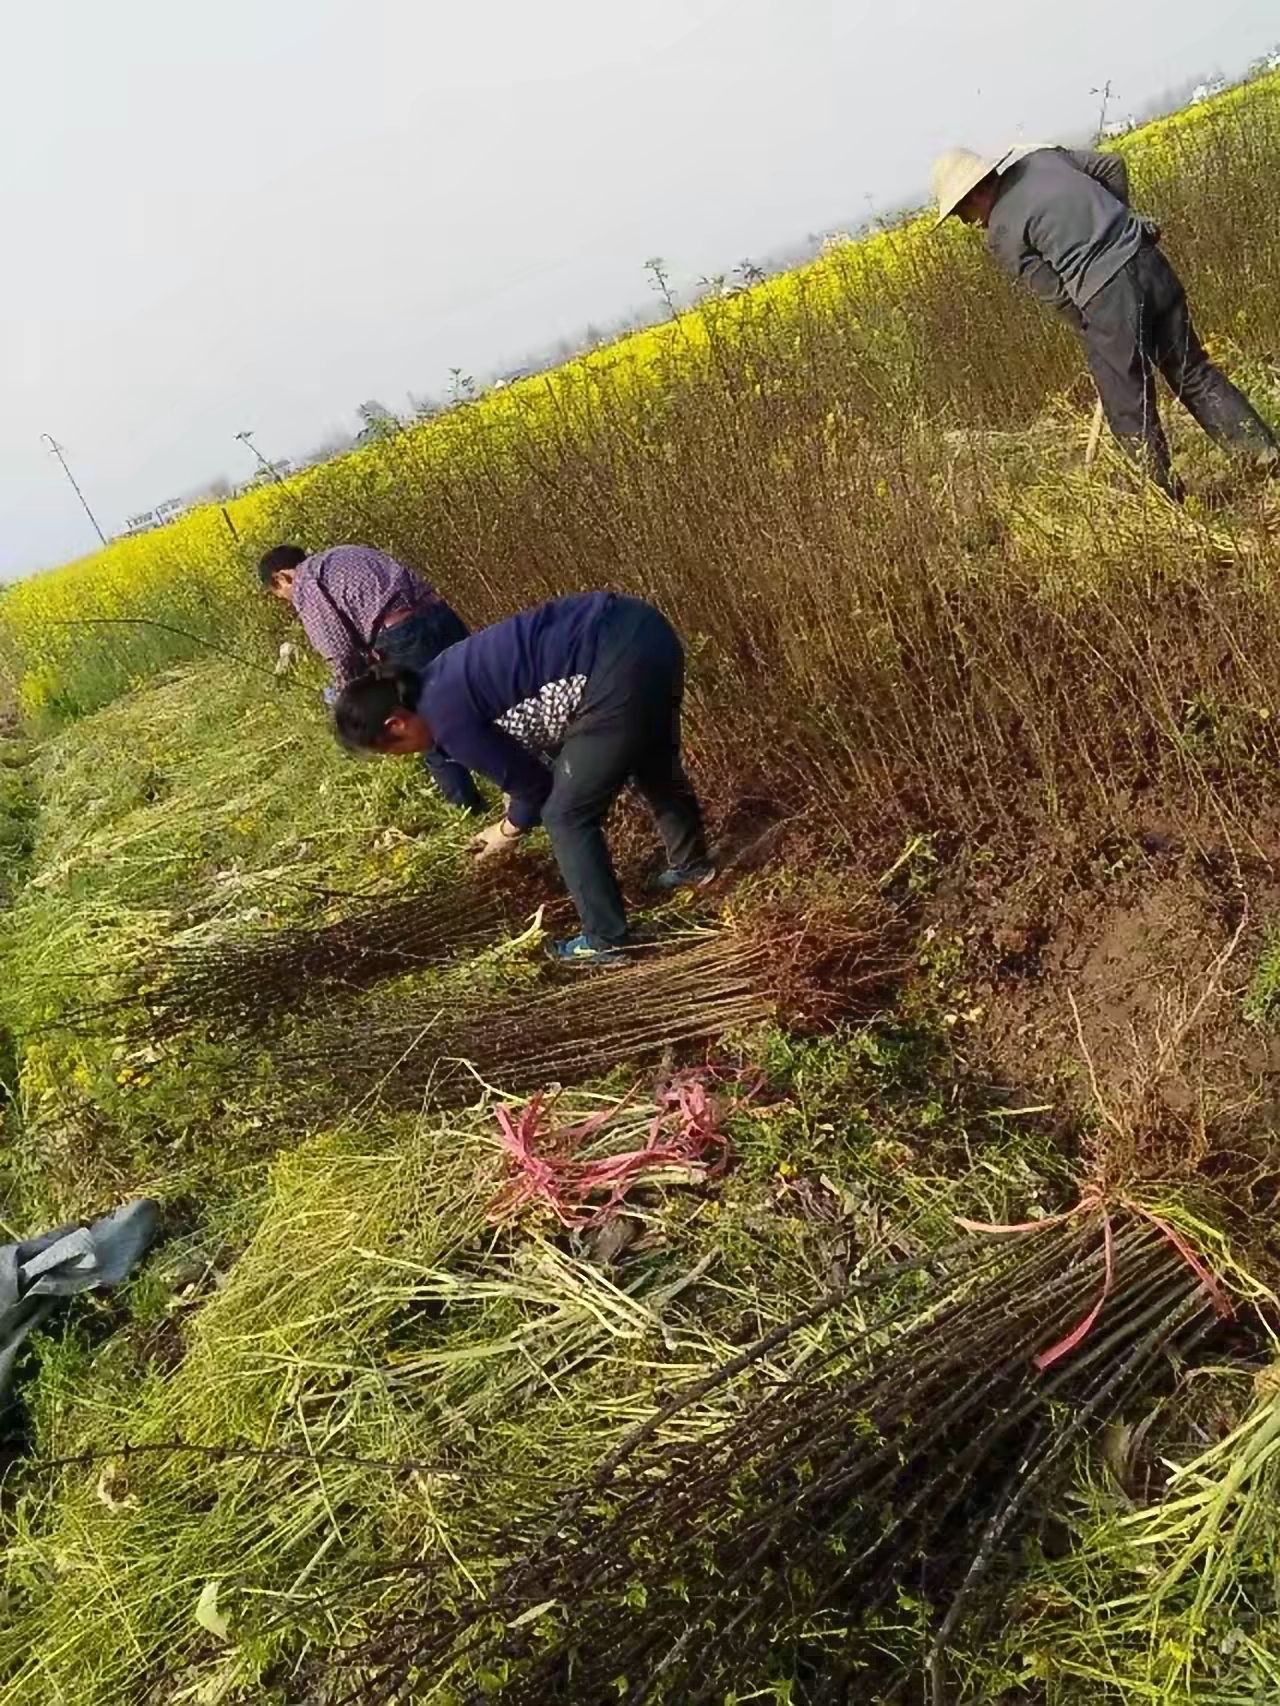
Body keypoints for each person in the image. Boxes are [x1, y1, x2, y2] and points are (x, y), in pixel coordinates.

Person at [333, 591, 715, 967]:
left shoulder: (446, 721)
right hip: (642, 629)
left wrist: (505, 832)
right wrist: (512, 794)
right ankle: (692, 864)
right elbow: (531, 745)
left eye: (390, 749)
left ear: (396, 724)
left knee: (565, 815)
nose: (404, 756)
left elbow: (537, 790)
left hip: (613, 662)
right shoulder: (439, 678)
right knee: (648, 756)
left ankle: (605, 939)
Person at [930, 144, 1280, 498]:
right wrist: (1121, 222)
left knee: (1128, 406)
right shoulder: (1044, 158)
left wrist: (1094, 327)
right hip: (1147, 259)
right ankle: (1262, 455)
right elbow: (1112, 166)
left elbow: (1056, 296)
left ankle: (1165, 505)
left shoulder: (1002, 234)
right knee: (1192, 370)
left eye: (964, 215)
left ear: (975, 193)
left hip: (1106, 297)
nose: (972, 224)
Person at [258, 543, 484, 812]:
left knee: (425, 722)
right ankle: (536, 760)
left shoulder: (307, 584)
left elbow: (339, 651)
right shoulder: (344, 554)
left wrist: (348, 697)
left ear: (282, 577)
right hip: (440, 615)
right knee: (482, 694)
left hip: (406, 638)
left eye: (281, 593)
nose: (289, 600)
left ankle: (466, 807)